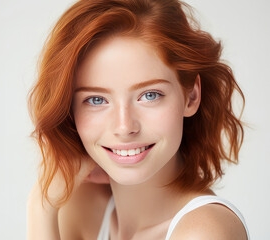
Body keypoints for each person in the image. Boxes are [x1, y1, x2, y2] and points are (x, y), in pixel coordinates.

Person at [27, 0, 250, 239]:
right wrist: (42, 204)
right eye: (96, 100)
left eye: (150, 95)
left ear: (191, 96)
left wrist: (41, 208)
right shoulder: (83, 206)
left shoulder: (205, 231)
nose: (124, 127)